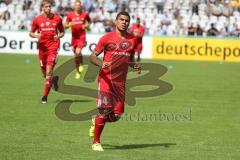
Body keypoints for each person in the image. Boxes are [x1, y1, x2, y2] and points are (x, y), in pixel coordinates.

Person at [89, 11, 141, 151]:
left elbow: (129, 58)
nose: (124, 22)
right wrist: (101, 64)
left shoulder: (132, 39)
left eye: (127, 20)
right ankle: (96, 142)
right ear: (116, 21)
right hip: (106, 79)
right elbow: (92, 56)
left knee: (116, 115)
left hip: (120, 83)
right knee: (105, 110)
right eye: (122, 20)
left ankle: (97, 121)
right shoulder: (107, 38)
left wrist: (134, 64)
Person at [29, 0, 65, 104]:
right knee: (44, 73)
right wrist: (36, 35)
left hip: (53, 48)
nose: (49, 8)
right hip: (42, 48)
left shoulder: (57, 18)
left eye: (50, 6)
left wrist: (58, 36)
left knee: (49, 71)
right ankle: (53, 80)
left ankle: (44, 97)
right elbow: (31, 33)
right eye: (46, 7)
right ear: (42, 8)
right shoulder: (37, 19)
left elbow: (62, 32)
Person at [65, 0, 91, 79]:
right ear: (74, 6)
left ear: (81, 6)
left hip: (82, 36)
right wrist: (69, 24)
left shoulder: (85, 14)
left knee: (78, 52)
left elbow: (89, 22)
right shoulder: (70, 15)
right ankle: (78, 70)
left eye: (79, 5)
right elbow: (65, 26)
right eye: (76, 5)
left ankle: (80, 66)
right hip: (74, 38)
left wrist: (86, 26)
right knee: (76, 55)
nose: (78, 6)